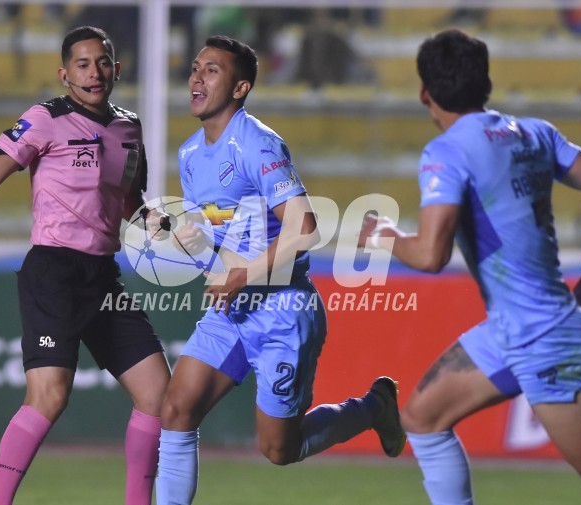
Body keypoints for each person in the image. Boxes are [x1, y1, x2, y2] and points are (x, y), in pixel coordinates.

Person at [359, 29, 581, 505]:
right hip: (511, 329)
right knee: (422, 418)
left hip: (543, 336)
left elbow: (431, 255)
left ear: (424, 93)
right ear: (486, 82)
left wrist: (383, 235)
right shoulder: (534, 133)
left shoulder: (447, 152)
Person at [0, 26, 171, 505]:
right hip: (54, 272)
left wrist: (151, 219)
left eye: (102, 62)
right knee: (49, 396)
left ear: (116, 69)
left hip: (103, 275)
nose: (94, 72)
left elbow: (129, 198)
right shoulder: (46, 119)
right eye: (83, 64)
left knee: (158, 394)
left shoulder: (130, 127)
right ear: (65, 75)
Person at [151, 35, 406, 504]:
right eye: (195, 67)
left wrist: (242, 275)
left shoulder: (258, 144)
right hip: (233, 311)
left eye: (212, 70)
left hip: (282, 313)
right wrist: (184, 237)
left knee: (279, 449)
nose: (197, 77)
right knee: (176, 410)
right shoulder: (189, 154)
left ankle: (375, 407)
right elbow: (219, 238)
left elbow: (305, 227)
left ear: (240, 88)